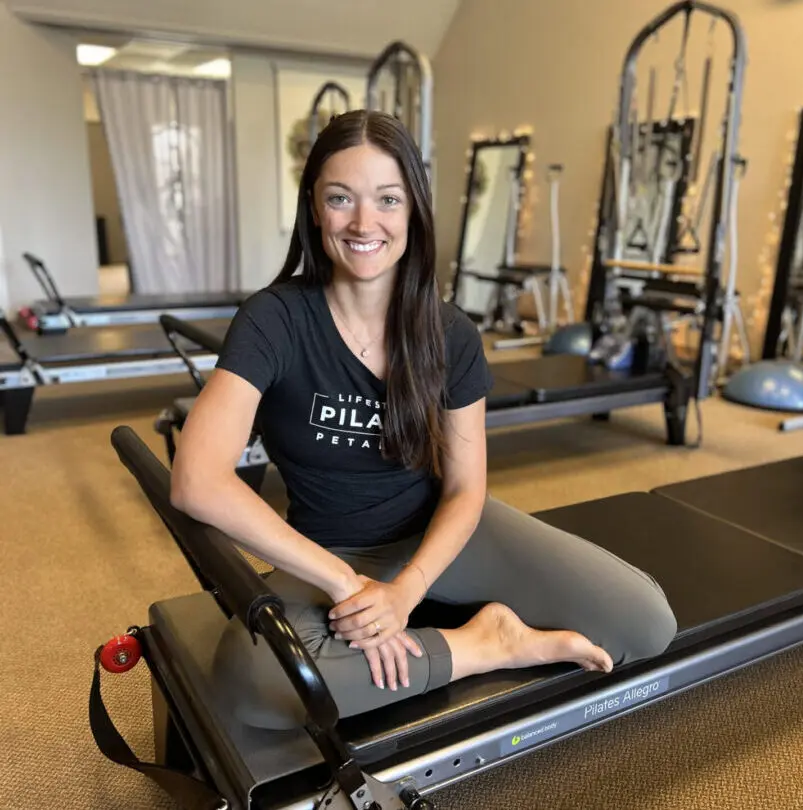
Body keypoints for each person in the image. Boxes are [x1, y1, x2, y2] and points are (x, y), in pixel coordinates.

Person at [170, 109, 677, 730]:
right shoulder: (274, 320)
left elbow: (466, 489)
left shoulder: (451, 335)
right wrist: (343, 583)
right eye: (340, 198)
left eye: (388, 199)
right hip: (331, 548)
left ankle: (457, 625)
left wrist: (408, 590)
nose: (364, 223)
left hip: (444, 534)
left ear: (413, 209)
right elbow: (196, 479)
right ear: (314, 208)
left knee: (645, 623)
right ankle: (487, 644)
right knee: (255, 683)